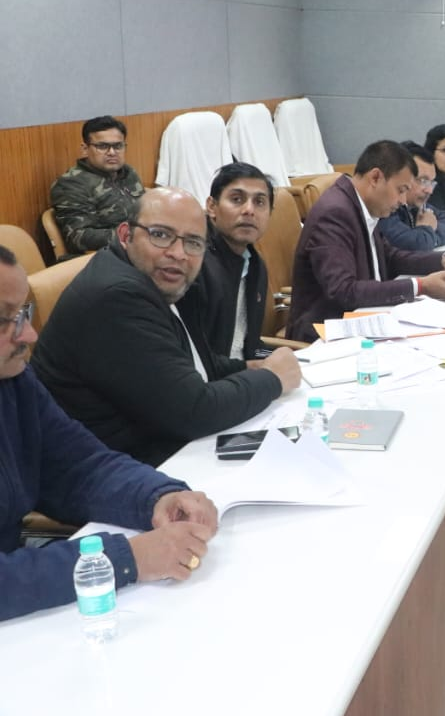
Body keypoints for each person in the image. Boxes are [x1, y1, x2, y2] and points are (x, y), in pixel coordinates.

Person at [0, 244, 221, 622]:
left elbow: (80, 466)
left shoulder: (14, 380)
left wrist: (158, 496)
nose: (29, 335)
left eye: (24, 314)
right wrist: (126, 558)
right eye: (5, 320)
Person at [31, 188, 302, 466]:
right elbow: (193, 412)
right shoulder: (117, 297)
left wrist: (247, 367)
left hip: (157, 449)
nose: (178, 253)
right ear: (125, 235)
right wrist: (272, 379)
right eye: (160, 235)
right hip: (114, 470)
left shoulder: (157, 278)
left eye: (193, 242)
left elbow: (187, 365)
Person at [288, 140, 445, 343]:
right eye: (401, 190)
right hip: (327, 336)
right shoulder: (335, 213)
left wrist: (442, 260)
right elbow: (344, 291)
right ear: (375, 177)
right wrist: (420, 286)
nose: (403, 201)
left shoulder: (360, 204)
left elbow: (389, 257)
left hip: (367, 321)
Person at [177, 162, 274, 361]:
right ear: (212, 207)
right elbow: (194, 358)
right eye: (237, 199)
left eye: (259, 202)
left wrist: (284, 358)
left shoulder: (255, 265)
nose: (249, 210)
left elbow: (249, 346)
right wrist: (255, 369)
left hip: (242, 372)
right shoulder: (193, 264)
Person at [50, 115, 144, 257]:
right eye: (102, 146)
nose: (112, 152)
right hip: (103, 257)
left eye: (118, 146)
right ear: (85, 149)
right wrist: (135, 235)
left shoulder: (128, 173)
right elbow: (78, 237)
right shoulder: (70, 184)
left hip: (139, 249)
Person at [375, 141, 445, 251]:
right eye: (423, 181)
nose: (429, 190)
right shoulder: (385, 208)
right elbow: (413, 244)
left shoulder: (416, 205)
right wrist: (427, 230)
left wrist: (429, 238)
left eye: (431, 182)